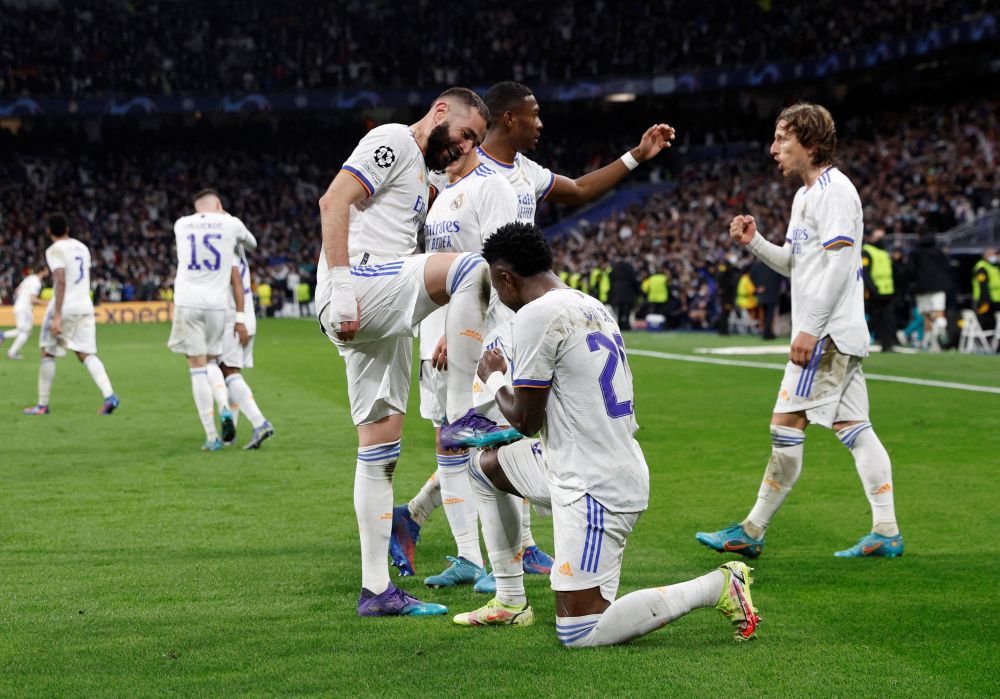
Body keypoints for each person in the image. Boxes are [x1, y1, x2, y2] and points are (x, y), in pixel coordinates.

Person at [450, 222, 759, 646]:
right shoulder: (591, 304)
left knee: (579, 633)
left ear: (507, 279)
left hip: (596, 486)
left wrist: (496, 378)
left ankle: (718, 585)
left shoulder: (536, 314)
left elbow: (524, 420)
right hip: (580, 461)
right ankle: (509, 599)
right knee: (485, 468)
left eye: (497, 286)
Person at [315, 86, 501, 618]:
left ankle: (377, 591)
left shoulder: (425, 177)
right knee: (472, 267)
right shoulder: (393, 139)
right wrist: (344, 286)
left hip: (381, 308)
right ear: (440, 112)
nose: (465, 147)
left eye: (475, 143)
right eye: (466, 134)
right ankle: (463, 413)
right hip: (361, 282)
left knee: (380, 454)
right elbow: (334, 200)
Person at [696, 103, 903, 559]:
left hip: (827, 335)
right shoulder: (805, 195)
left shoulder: (836, 191)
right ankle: (886, 531)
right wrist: (755, 243)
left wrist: (809, 330)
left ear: (809, 144)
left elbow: (839, 265)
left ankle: (751, 531)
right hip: (835, 332)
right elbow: (795, 263)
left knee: (785, 425)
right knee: (855, 427)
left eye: (782, 139)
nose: (773, 149)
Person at [168, 189, 258, 450]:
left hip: (188, 301)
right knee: (216, 363)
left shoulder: (181, 224)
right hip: (218, 306)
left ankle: (212, 434)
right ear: (219, 204)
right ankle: (230, 413)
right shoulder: (230, 224)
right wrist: (230, 222)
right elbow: (252, 244)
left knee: (199, 368)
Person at [23, 213, 120, 416]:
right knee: (86, 354)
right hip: (84, 305)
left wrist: (57, 315)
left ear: (49, 231)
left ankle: (42, 405)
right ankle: (109, 395)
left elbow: (60, 279)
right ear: (67, 228)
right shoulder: (82, 248)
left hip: (65, 306)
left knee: (47, 352)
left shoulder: (54, 249)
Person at [215, 245, 274, 449]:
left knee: (228, 372)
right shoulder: (237, 250)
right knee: (229, 374)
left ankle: (259, 422)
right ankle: (230, 433)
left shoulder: (227, 251)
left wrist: (238, 320)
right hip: (246, 318)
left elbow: (235, 283)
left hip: (235, 320)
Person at [907, 233, 953, 351]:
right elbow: (948, 268)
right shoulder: (939, 253)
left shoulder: (915, 253)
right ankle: (941, 330)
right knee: (939, 313)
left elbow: (910, 271)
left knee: (926, 316)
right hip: (939, 287)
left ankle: (929, 344)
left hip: (922, 288)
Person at [861, 227, 896, 351]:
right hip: (874, 293)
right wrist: (872, 289)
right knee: (873, 320)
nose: (882, 240)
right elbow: (865, 273)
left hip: (887, 292)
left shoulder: (884, 252)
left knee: (887, 320)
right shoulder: (867, 251)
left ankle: (887, 345)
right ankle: (860, 342)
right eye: (879, 237)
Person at [2, 266, 48, 359]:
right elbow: (33, 299)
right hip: (24, 309)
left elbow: (17, 290)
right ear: (42, 271)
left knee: (24, 331)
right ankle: (10, 351)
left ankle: (6, 342)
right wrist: (46, 303)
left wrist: (22, 299)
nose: (48, 272)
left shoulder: (29, 278)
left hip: (20, 306)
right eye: (47, 270)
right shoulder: (36, 282)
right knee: (25, 332)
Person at [750, 258, 782, 340]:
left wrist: (758, 286)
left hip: (763, 294)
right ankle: (768, 333)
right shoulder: (774, 265)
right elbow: (780, 278)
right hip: (772, 293)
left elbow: (751, 276)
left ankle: (766, 332)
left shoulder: (758, 265)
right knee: (770, 315)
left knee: (763, 315)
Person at [971, 247, 999, 334]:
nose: (994, 256)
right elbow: (983, 286)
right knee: (986, 321)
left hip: (995, 300)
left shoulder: (994, 266)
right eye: (992, 254)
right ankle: (988, 341)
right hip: (984, 300)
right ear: (985, 256)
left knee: (993, 322)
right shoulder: (981, 267)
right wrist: (985, 300)